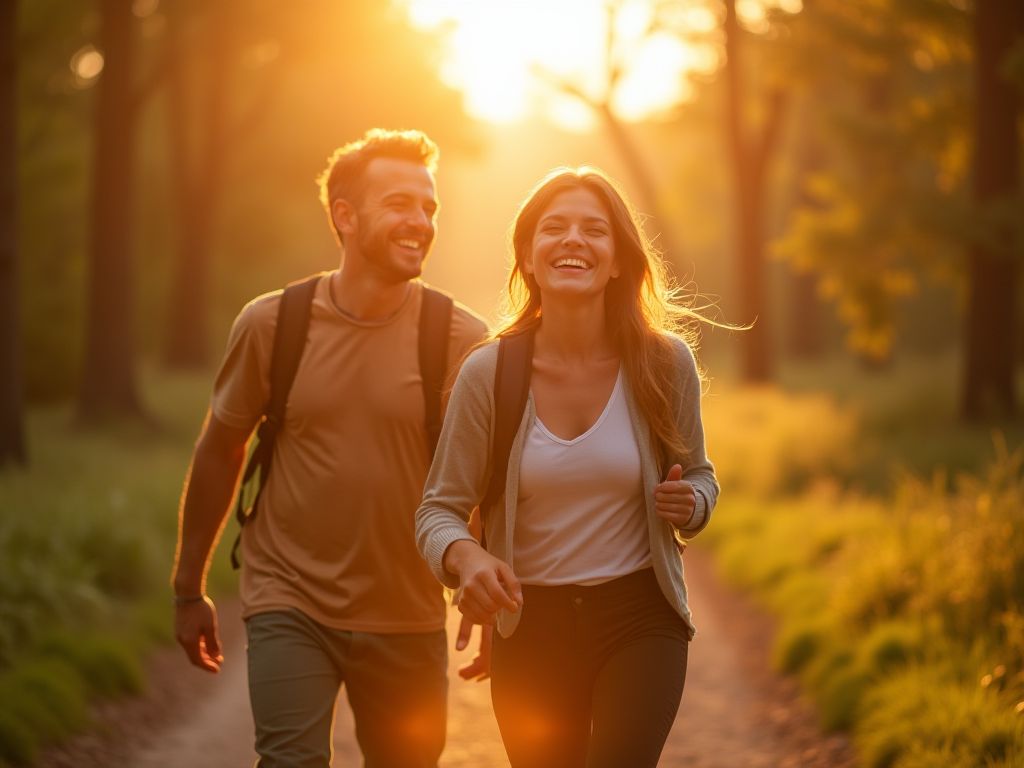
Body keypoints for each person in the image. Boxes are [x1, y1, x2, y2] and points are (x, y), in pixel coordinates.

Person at [171, 128, 488, 768]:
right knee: (289, 761)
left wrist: (485, 588)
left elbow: (486, 479)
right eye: (400, 203)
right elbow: (220, 450)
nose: (421, 221)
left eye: (429, 207)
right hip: (290, 596)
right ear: (344, 216)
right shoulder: (272, 324)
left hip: (409, 610)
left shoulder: (459, 337)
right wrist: (188, 588)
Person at [415, 166, 720, 768]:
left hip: (642, 616)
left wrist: (694, 504)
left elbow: (702, 475)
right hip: (533, 626)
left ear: (616, 261)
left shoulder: (664, 362)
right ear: (528, 257)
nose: (574, 239)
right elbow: (437, 510)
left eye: (594, 230)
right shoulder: (489, 374)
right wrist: (467, 557)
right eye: (554, 228)